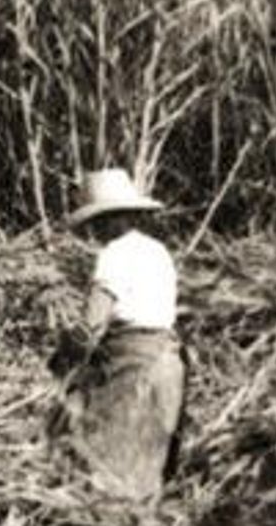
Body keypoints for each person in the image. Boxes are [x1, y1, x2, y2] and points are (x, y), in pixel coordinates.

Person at [47, 168, 186, 503]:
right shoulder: (159, 251)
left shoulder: (114, 255)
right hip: (169, 364)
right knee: (149, 478)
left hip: (131, 369)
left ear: (108, 220)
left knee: (110, 484)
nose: (94, 230)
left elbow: (92, 326)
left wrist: (63, 360)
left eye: (97, 222)